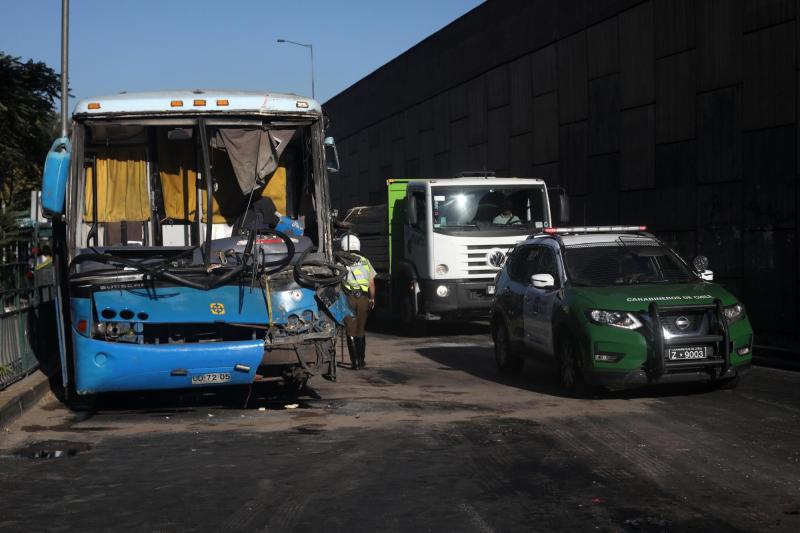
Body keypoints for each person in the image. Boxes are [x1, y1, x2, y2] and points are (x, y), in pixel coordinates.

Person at [340, 234, 376, 370]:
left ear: (344, 246)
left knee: (350, 330)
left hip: (348, 298)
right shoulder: (365, 261)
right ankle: (361, 361)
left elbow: (337, 281)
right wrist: (372, 298)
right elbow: (371, 282)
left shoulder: (341, 262)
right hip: (363, 298)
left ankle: (354, 362)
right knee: (361, 330)